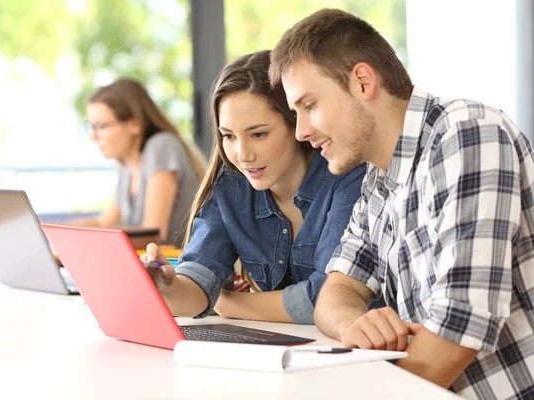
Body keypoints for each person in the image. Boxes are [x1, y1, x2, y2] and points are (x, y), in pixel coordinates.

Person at [269, 8, 534, 399]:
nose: (301, 131)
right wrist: (353, 326)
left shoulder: (466, 134)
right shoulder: (377, 181)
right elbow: (336, 291)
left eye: (309, 105)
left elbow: (459, 326)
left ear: (362, 81)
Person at [141, 50, 365, 324]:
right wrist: (168, 287)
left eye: (258, 134)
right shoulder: (231, 183)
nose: (242, 155)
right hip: (291, 351)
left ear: (296, 123)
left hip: (362, 351)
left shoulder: (345, 175)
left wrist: (229, 302)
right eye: (229, 136)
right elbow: (197, 286)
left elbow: (326, 299)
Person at [70, 78, 206, 247]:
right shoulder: (127, 169)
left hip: (177, 269)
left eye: (102, 126)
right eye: (91, 127)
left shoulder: (161, 146)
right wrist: (44, 230)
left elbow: (153, 235)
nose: (93, 136)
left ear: (134, 124)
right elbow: (104, 223)